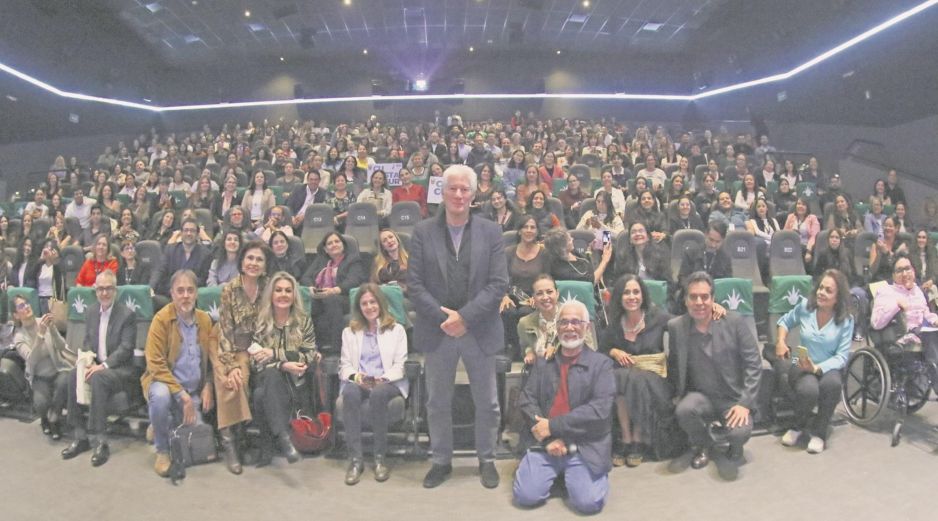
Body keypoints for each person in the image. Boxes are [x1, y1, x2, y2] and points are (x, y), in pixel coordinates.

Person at [408, 164, 508, 489]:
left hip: (479, 329)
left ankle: (487, 459)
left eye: (465, 189)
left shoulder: (491, 231)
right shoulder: (423, 232)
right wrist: (445, 319)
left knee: (488, 402)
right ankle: (441, 460)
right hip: (438, 332)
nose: (459, 194)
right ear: (442, 192)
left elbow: (497, 284)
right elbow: (415, 285)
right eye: (452, 188)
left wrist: (464, 318)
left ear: (474, 194)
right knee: (437, 402)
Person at [512, 300, 615, 515]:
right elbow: (527, 400)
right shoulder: (543, 363)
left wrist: (554, 426)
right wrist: (549, 437)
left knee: (588, 503)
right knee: (526, 496)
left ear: (586, 327)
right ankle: (563, 475)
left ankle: (571, 475)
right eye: (564, 322)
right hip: (546, 444)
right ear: (557, 328)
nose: (569, 327)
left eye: (576, 322)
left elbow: (599, 410)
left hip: (584, 445)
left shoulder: (602, 365)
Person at [667, 271, 761, 481]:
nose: (699, 302)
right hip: (700, 397)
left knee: (739, 433)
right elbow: (674, 364)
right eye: (693, 297)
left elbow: (754, 364)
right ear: (685, 300)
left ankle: (734, 447)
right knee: (684, 410)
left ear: (713, 298)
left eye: (705, 297)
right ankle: (705, 445)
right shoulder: (677, 327)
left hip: (732, 398)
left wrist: (745, 403)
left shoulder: (734, 322)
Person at [140, 269, 216, 477]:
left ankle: (157, 424)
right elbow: (155, 364)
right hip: (166, 384)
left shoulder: (205, 320)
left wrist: (208, 384)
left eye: (190, 290)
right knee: (161, 397)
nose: (185, 296)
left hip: (193, 392)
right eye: (180, 291)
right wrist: (181, 395)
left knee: (197, 440)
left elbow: (211, 360)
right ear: (172, 294)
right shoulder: (161, 319)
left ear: (197, 293)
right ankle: (162, 451)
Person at [61, 271, 138, 467]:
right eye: (101, 289)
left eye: (108, 288)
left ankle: (101, 440)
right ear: (95, 291)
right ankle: (80, 436)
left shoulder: (127, 315)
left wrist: (102, 366)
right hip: (97, 366)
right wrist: (86, 361)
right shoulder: (91, 312)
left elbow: (126, 349)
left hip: (121, 371)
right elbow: (88, 343)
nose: (104, 293)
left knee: (98, 378)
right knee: (73, 376)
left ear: (115, 290)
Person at [774, 269, 853, 454]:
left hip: (827, 366)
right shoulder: (805, 306)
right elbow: (784, 322)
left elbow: (841, 357)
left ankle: (819, 433)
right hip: (801, 364)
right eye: (820, 288)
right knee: (809, 389)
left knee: (833, 384)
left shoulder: (846, 320)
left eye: (828, 290)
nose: (821, 293)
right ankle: (797, 426)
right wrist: (780, 341)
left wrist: (817, 368)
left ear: (838, 297)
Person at [339, 283, 409, 485]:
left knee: (378, 394)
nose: (369, 307)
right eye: (364, 303)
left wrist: (382, 379)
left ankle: (380, 458)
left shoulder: (397, 330)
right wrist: (358, 378)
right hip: (361, 381)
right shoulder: (349, 332)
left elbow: (400, 365)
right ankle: (356, 460)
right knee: (350, 393)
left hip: (388, 381)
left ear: (380, 303)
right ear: (359, 307)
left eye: (372, 302)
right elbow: (344, 366)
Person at [600, 275, 673, 468]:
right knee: (620, 377)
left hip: (654, 379)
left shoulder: (658, 317)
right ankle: (626, 436)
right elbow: (602, 350)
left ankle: (637, 437)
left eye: (636, 292)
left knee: (633, 379)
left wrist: (715, 308)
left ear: (643, 295)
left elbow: (684, 323)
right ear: (619, 297)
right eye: (626, 292)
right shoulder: (615, 323)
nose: (631, 297)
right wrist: (614, 351)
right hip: (625, 380)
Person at [250, 271, 318, 467]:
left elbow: (308, 355)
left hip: (295, 385)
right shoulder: (261, 323)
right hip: (269, 378)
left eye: (288, 291)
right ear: (271, 294)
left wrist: (272, 354)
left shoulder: (303, 321)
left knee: (260, 395)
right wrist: (283, 364)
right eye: (278, 290)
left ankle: (270, 444)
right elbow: (255, 361)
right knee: (269, 377)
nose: (283, 294)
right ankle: (283, 437)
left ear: (294, 295)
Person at [215, 240, 270, 475]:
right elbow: (225, 331)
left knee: (246, 378)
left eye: (259, 259)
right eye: (250, 258)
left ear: (265, 265)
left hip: (256, 348)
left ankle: (241, 438)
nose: (254, 263)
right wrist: (230, 365)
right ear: (241, 261)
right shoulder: (230, 288)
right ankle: (230, 445)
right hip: (229, 345)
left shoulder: (269, 287)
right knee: (231, 381)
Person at [871, 254, 938, 396]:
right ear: (893, 275)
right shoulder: (885, 291)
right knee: (930, 336)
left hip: (922, 332)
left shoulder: (918, 290)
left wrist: (934, 319)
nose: (905, 273)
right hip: (900, 336)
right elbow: (876, 322)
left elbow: (925, 312)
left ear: (914, 271)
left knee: (931, 332)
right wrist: (896, 305)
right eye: (900, 270)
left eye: (908, 269)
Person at [11, 294, 76, 440]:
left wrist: (52, 329)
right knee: (41, 403)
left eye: (27, 303)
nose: (26, 307)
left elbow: (61, 346)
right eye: (21, 306)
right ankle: (44, 419)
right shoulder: (19, 337)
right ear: (16, 315)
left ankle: (54, 417)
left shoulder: (43, 322)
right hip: (39, 377)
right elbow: (32, 359)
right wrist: (40, 335)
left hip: (58, 369)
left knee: (65, 380)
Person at [300, 232, 367, 351]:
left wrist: (334, 290)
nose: (334, 244)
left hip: (345, 297)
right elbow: (306, 277)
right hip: (321, 296)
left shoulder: (353, 259)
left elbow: (354, 280)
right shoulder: (321, 260)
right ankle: (308, 344)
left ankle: (336, 346)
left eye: (337, 241)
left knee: (331, 300)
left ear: (343, 244)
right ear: (325, 249)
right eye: (330, 243)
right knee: (307, 302)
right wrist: (312, 289)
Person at [150, 218, 212, 309]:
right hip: (169, 294)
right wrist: (151, 287)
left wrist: (183, 286)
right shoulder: (170, 250)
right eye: (186, 230)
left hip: (191, 297)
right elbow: (160, 270)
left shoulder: (205, 254)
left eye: (192, 231)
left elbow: (203, 279)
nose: (188, 233)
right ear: (181, 233)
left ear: (197, 234)